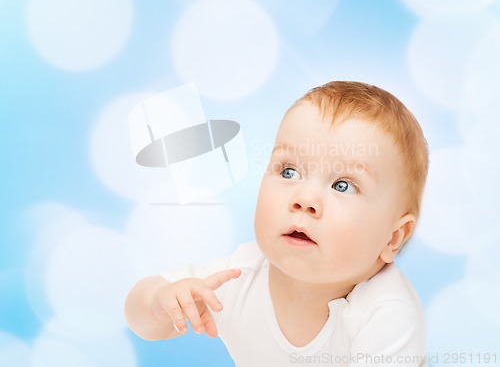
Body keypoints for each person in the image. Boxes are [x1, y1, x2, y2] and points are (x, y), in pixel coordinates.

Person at [124, 81, 429, 367]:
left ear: (393, 238)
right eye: (288, 172)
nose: (304, 198)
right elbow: (143, 320)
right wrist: (158, 304)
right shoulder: (240, 276)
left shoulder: (387, 315)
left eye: (343, 186)